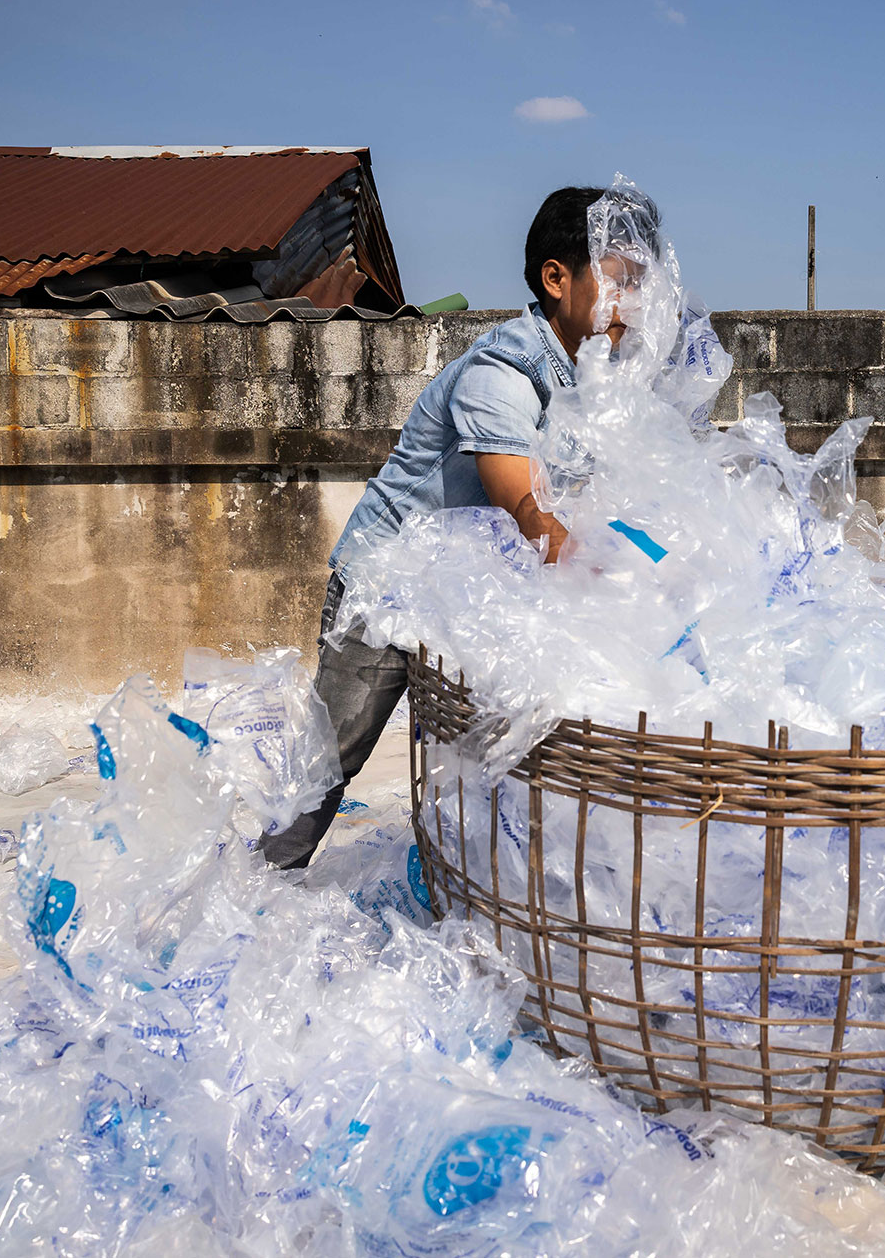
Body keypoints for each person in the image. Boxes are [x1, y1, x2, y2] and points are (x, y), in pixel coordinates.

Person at [258, 185, 642, 869]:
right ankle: (253, 886)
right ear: (558, 278)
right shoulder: (504, 367)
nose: (633, 308)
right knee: (329, 762)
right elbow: (520, 504)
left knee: (490, 766)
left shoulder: (593, 390)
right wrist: (603, 575)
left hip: (463, 599)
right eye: (619, 283)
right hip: (386, 590)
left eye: (641, 287)